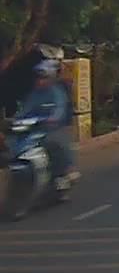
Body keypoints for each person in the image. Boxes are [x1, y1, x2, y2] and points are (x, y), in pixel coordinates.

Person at [16, 59, 77, 189]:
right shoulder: (34, 94)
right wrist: (16, 119)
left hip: (53, 128)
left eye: (44, 77)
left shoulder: (57, 92)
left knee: (56, 143)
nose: (40, 81)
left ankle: (62, 173)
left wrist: (53, 118)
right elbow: (25, 110)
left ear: (51, 78)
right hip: (35, 129)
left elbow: (59, 109)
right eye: (38, 78)